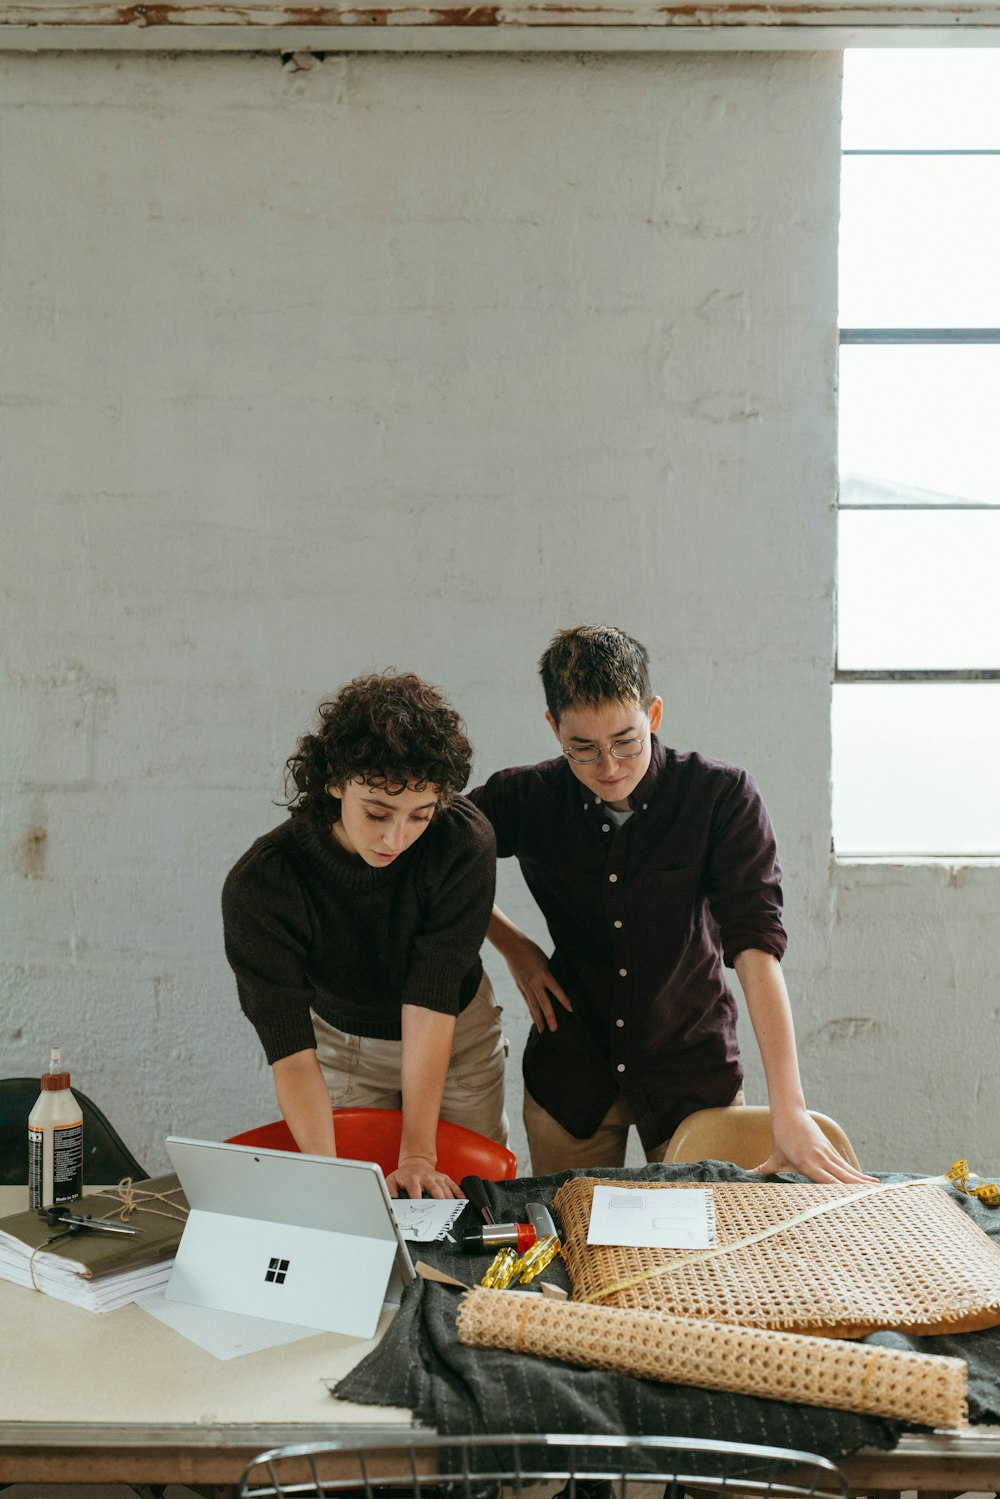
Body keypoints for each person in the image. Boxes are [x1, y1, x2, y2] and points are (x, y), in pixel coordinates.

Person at [469, 625, 872, 1184]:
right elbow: (435, 856)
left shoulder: (720, 797)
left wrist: (790, 1109)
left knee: (709, 1251)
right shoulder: (527, 797)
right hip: (571, 1070)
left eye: (626, 741)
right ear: (553, 728)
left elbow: (756, 948)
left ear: (653, 715)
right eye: (581, 749)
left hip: (691, 1064)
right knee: (568, 1246)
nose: (608, 767)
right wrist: (514, 946)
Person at [222, 670, 506, 1199]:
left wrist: (419, 1154)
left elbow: (431, 995)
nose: (396, 838)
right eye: (377, 813)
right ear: (334, 781)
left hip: (455, 1035)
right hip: (344, 1041)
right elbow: (291, 1051)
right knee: (354, 1197)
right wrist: (331, 1187)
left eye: (420, 816)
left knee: (469, 1200)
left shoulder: (462, 843)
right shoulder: (264, 884)